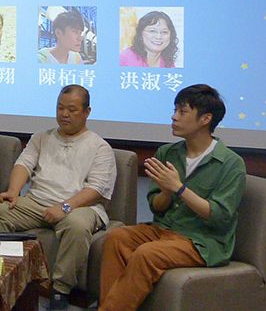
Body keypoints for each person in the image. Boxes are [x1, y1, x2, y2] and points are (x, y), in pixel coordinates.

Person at [100, 85, 245, 311]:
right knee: (116, 238)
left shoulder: (230, 163)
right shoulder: (167, 153)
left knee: (147, 253)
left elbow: (219, 216)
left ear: (205, 119)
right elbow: (156, 207)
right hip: (164, 230)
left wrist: (178, 187)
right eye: (174, 110)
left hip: (202, 241)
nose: (174, 117)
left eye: (182, 111)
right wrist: (167, 191)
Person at [0, 85, 116, 310]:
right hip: (36, 202)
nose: (64, 114)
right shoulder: (41, 137)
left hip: (79, 207)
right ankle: (8, 276)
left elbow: (96, 189)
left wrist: (65, 207)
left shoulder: (100, 147)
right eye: (60, 108)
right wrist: (13, 191)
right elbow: (24, 164)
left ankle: (60, 292)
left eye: (72, 109)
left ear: (87, 112)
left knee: (77, 225)